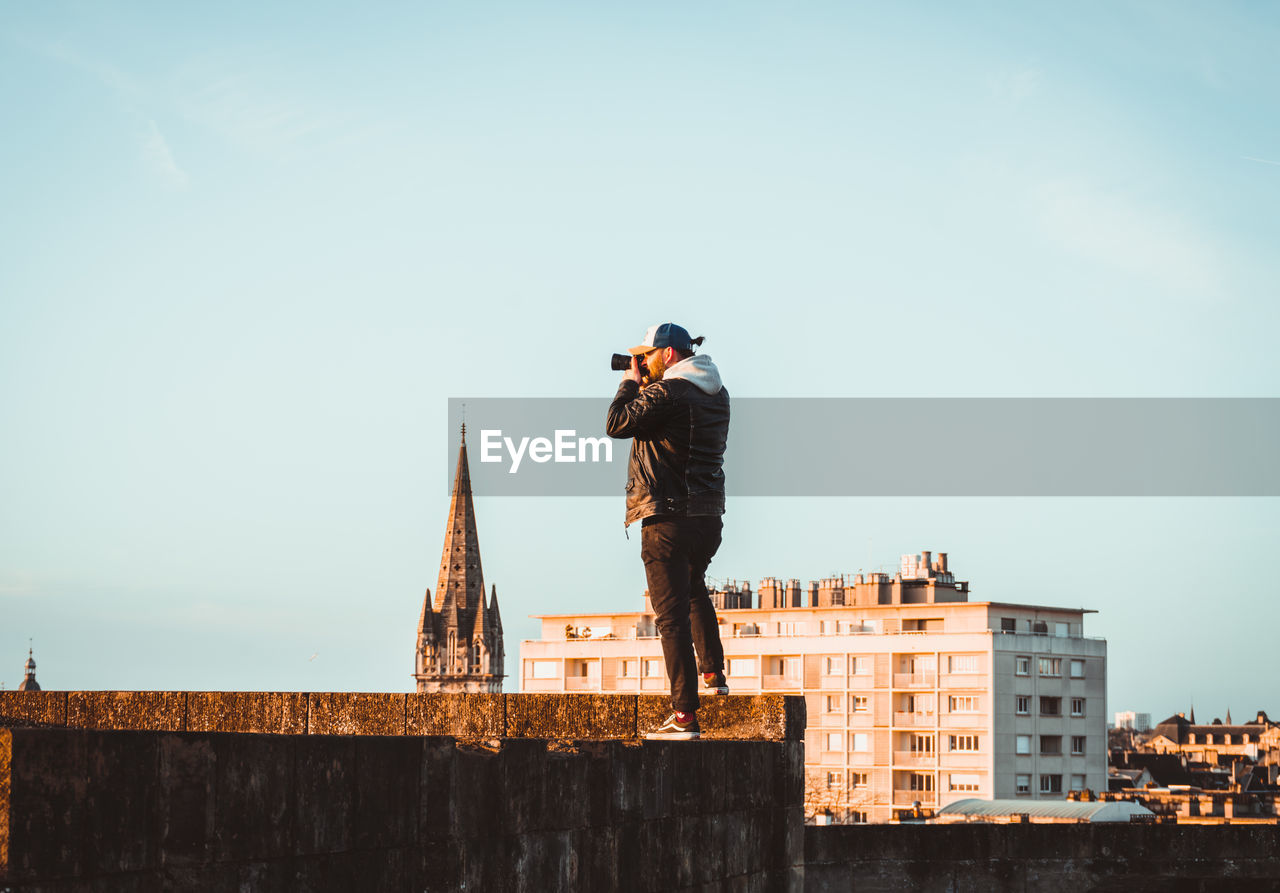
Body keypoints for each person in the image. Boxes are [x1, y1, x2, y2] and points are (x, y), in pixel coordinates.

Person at [605, 323, 730, 740]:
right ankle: (714, 675)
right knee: (693, 587)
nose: (643, 363)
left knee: (670, 617)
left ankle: (684, 718)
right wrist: (644, 380)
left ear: (669, 354)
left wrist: (628, 383)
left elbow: (617, 423)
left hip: (667, 518)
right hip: (707, 518)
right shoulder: (717, 393)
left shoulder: (668, 393)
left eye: (648, 355)